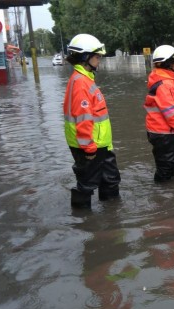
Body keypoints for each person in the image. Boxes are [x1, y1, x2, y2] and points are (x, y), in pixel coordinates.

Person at [63, 34, 121, 208]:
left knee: (110, 180)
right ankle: (82, 220)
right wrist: (88, 148)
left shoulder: (85, 80)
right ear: (85, 57)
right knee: (87, 184)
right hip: (90, 146)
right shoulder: (81, 83)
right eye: (97, 57)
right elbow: (83, 118)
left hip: (100, 144)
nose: (100, 60)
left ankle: (112, 218)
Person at [143, 45, 174, 182]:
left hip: (169, 131)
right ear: (168, 64)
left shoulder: (169, 81)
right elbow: (171, 113)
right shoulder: (165, 84)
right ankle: (162, 198)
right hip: (163, 133)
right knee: (166, 167)